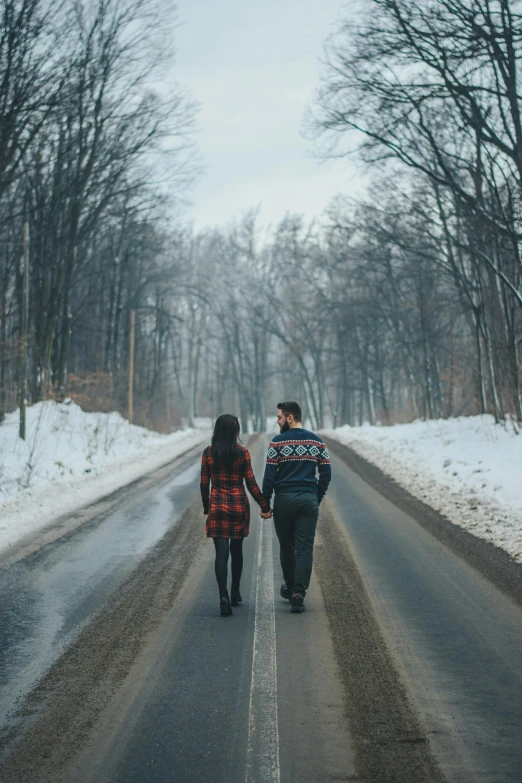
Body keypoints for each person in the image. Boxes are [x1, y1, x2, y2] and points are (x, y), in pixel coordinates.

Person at [261, 401, 331, 613]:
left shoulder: (277, 443)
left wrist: (265, 504)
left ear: (290, 418)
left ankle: (290, 587)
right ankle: (298, 594)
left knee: (287, 547)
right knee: (305, 549)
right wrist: (315, 498)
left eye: (279, 417)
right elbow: (326, 474)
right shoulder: (318, 442)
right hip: (307, 500)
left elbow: (269, 477)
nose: (277, 421)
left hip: (283, 500)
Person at [200, 414, 271, 616]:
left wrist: (207, 506)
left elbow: (204, 484)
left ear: (217, 430)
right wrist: (265, 505)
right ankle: (235, 591)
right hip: (239, 507)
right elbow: (251, 483)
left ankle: (223, 596)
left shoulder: (208, 454)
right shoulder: (243, 453)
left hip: (218, 508)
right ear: (236, 432)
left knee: (221, 554)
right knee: (237, 551)